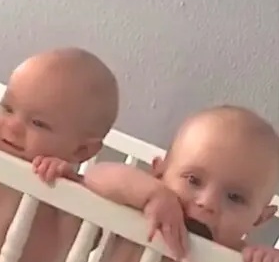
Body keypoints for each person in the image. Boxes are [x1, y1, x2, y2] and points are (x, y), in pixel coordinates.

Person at [0, 47, 120, 262]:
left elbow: (91, 238)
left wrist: (69, 188)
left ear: (81, 150)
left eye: (38, 123)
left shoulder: (65, 186)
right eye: (8, 108)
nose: (13, 126)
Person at [54, 105, 279, 262]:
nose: (207, 203)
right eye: (193, 180)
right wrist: (153, 195)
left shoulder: (238, 256)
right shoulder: (141, 209)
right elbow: (95, 175)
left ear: (260, 218)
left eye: (235, 197)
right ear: (158, 172)